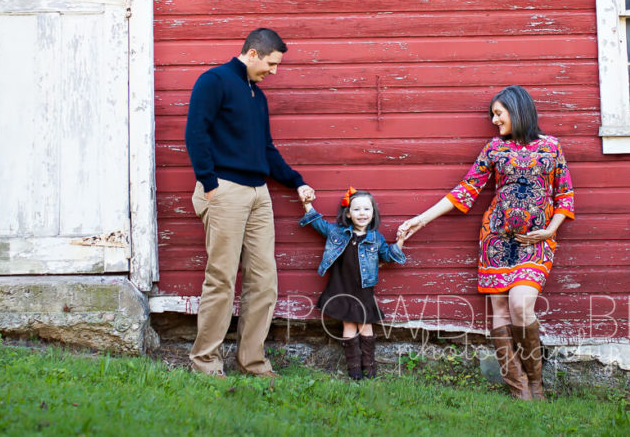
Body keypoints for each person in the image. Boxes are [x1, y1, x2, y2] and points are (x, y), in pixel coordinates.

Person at [397, 85, 574, 400]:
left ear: (517, 111)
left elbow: (565, 195)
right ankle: (519, 387)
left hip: (536, 243)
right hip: (495, 242)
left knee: (521, 306)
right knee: (501, 313)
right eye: (493, 114)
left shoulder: (551, 147)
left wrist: (550, 231)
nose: (494, 120)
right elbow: (466, 189)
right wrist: (420, 219)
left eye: (498, 113)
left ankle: (536, 382)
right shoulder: (493, 149)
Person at [185, 28, 315, 377]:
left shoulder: (257, 96)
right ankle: (205, 363)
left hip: (259, 193)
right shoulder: (214, 80)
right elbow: (195, 132)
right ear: (253, 53)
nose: (273, 72)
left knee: (264, 280)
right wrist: (210, 184)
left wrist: (296, 181)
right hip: (225, 190)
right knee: (222, 278)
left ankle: (252, 362)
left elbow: (266, 150)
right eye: (271, 64)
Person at [300, 187, 406, 380]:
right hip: (342, 287)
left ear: (373, 213)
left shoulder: (376, 238)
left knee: (365, 326)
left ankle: (370, 369)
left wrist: (399, 243)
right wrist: (307, 204)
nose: (362, 213)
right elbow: (317, 223)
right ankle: (354, 371)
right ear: (348, 213)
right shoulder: (337, 233)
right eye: (356, 209)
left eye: (366, 209)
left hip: (363, 289)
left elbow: (388, 256)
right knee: (348, 326)